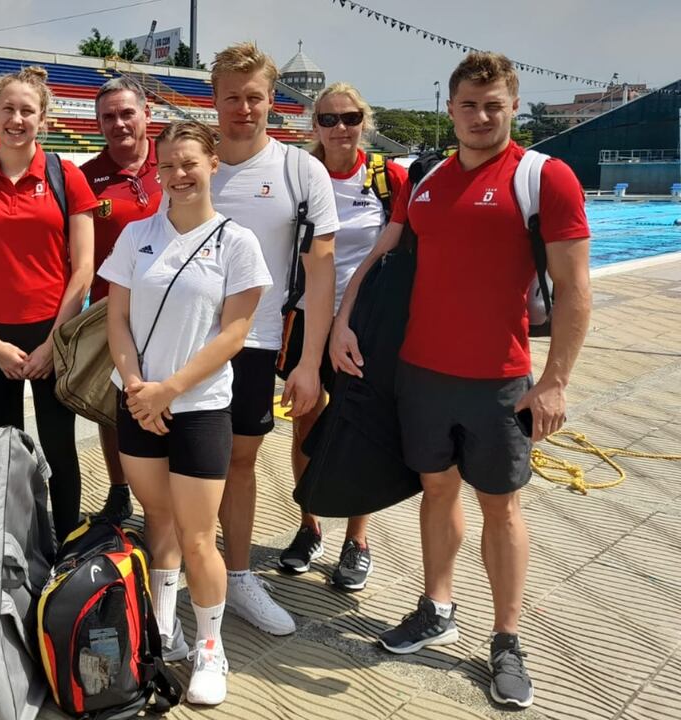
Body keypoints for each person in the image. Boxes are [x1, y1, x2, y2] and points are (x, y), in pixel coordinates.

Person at [331, 52, 591, 709]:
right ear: (450, 109)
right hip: (420, 373)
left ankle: (506, 639)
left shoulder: (544, 177)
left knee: (501, 507)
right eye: (469, 105)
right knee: (437, 490)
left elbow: (574, 288)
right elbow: (383, 252)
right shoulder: (425, 179)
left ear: (513, 107)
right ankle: (437, 606)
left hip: (498, 381)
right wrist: (341, 321)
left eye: (493, 105)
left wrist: (555, 381)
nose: (481, 116)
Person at [102, 120, 270, 705]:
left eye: (189, 163)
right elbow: (116, 319)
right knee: (158, 521)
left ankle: (210, 647)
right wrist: (135, 387)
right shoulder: (136, 235)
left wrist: (167, 390)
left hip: (198, 408)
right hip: (138, 402)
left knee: (199, 538)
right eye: (168, 165)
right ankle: (164, 626)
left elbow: (235, 333)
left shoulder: (237, 242)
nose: (178, 175)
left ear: (213, 164)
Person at [208, 42, 339, 636]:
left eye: (254, 97)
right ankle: (174, 575)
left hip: (256, 343)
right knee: (177, 462)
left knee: (240, 461)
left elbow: (320, 271)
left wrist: (308, 363)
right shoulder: (194, 164)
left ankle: (237, 576)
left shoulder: (299, 171)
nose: (243, 108)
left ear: (271, 101)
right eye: (232, 97)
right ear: (214, 100)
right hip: (185, 344)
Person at [0, 66, 98, 542]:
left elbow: (83, 268)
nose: (17, 119)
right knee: (5, 452)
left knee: (58, 447)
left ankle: (67, 542)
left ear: (43, 119)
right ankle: (14, 545)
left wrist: (53, 343)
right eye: (8, 109)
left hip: (55, 332)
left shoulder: (65, 176)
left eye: (27, 111)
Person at [276, 82, 408, 590]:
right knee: (305, 423)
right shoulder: (298, 175)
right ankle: (309, 525)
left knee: (359, 431)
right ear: (315, 125)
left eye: (350, 118)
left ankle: (358, 539)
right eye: (328, 119)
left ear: (364, 122)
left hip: (363, 325)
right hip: (306, 319)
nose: (340, 128)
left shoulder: (386, 178)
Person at [79, 77, 161, 523]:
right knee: (113, 407)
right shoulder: (86, 177)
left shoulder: (174, 162)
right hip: (113, 312)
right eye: (108, 116)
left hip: (172, 311)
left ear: (147, 114)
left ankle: (166, 495)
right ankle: (118, 487)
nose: (119, 123)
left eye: (127, 113)